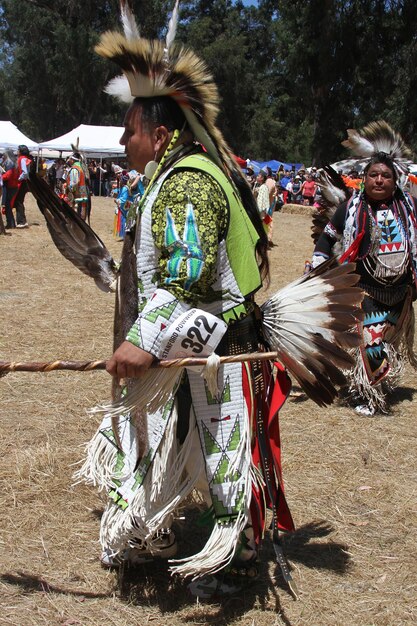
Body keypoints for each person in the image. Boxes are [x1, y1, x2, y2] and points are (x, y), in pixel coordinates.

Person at [75, 2, 295, 598]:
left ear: (161, 134)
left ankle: (236, 555)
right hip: (201, 335)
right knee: (181, 439)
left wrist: (139, 343)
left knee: (222, 449)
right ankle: (162, 534)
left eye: (130, 129)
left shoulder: (188, 182)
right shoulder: (173, 177)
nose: (123, 138)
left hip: (215, 341)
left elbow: (185, 279)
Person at [311, 121, 417, 415]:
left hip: (401, 290)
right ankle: (368, 395)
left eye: (386, 176)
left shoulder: (409, 207)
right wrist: (319, 264)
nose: (379, 180)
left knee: (387, 341)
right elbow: (328, 237)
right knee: (370, 341)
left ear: (395, 180)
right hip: (366, 288)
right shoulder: (351, 208)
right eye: (373, 175)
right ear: (364, 178)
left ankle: (379, 385)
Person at [66, 153, 89, 221]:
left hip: (76, 193)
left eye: (70, 159)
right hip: (82, 193)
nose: (69, 160)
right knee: (82, 210)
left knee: (75, 211)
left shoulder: (75, 169)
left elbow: (75, 182)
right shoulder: (82, 168)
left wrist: (69, 189)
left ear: (72, 160)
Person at [14, 144, 32, 228]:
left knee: (18, 201)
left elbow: (25, 173)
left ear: (21, 151)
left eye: (18, 150)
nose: (17, 152)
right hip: (24, 182)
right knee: (19, 201)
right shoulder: (25, 159)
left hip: (22, 182)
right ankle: (22, 220)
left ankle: (21, 222)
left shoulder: (22, 159)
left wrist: (18, 178)